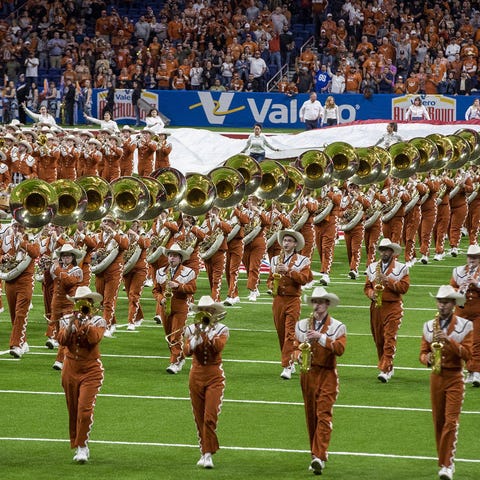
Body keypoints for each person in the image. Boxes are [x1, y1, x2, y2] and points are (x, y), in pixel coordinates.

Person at [419, 285, 472, 480]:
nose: (442, 305)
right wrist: (428, 360)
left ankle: (447, 464)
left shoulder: (465, 326)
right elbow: (422, 353)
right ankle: (443, 461)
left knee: (451, 422)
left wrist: (449, 341)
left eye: (446, 302)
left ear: (454, 304)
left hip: (455, 377)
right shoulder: (427, 326)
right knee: (438, 422)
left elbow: (469, 355)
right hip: (436, 377)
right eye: (440, 302)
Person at [295, 286, 346, 476]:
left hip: (327, 374)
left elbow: (340, 349)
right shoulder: (301, 325)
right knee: (311, 416)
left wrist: (321, 338)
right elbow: (293, 346)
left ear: (327, 304)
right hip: (307, 374)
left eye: (320, 302)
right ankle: (316, 454)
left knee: (324, 414)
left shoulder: (337, 326)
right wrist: (298, 356)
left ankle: (319, 455)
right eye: (314, 302)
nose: (317, 305)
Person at [57, 286, 106, 464]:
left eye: (86, 302)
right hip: (70, 368)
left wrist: (85, 322)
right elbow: (62, 340)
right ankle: (76, 443)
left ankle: (82, 446)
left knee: (85, 410)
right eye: (79, 302)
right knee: (73, 410)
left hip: (91, 370)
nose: (82, 305)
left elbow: (93, 340)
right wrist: (72, 323)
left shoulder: (99, 321)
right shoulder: (66, 319)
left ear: (92, 304)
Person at [183, 296, 229, 469]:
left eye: (209, 310)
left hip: (214, 376)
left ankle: (208, 453)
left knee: (210, 417)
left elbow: (218, 347)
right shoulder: (190, 329)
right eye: (203, 310)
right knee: (199, 417)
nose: (206, 313)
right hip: (195, 375)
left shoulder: (222, 329)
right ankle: (204, 451)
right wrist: (195, 338)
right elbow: (186, 352)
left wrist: (206, 333)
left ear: (213, 312)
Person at [267, 229, 313, 379]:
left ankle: (286, 366)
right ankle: (291, 360)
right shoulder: (274, 260)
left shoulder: (302, 260)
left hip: (293, 300)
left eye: (289, 241)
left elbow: (305, 279)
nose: (286, 243)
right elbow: (268, 280)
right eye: (284, 240)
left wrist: (289, 271)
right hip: (278, 300)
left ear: (295, 244)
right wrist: (271, 285)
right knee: (281, 333)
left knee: (289, 333)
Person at [364, 238, 410, 382]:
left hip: (393, 306)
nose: (384, 252)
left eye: (387, 250)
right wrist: (371, 294)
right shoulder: (372, 267)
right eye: (382, 249)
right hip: (376, 307)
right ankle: (387, 365)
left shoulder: (401, 268)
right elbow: (367, 287)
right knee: (379, 339)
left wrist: (388, 281)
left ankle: (385, 369)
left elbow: (404, 288)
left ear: (392, 252)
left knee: (389, 338)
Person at [154, 243, 197, 374]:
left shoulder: (188, 272)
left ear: (180, 258)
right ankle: (180, 357)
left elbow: (192, 289)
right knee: (168, 335)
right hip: (165, 307)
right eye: (170, 255)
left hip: (180, 306)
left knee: (175, 336)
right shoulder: (160, 272)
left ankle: (174, 362)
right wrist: (160, 298)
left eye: (175, 256)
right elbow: (155, 290)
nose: (172, 258)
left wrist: (178, 286)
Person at [1, 220, 40, 358]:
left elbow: (35, 252)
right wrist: (3, 258)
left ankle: (16, 345)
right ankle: (23, 342)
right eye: (15, 226)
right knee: (13, 314)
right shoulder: (5, 239)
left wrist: (22, 242)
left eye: (20, 226)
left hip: (25, 280)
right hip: (10, 280)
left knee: (20, 313)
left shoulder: (31, 238)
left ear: (25, 227)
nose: (17, 229)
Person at [450, 244, 480, 387]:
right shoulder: (458, 271)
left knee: (476, 342)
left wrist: (477, 283)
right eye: (470, 257)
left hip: (478, 312)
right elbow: (451, 287)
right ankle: (468, 371)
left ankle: (476, 372)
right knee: (462, 342)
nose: (472, 259)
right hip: (461, 311)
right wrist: (459, 289)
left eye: (475, 257)